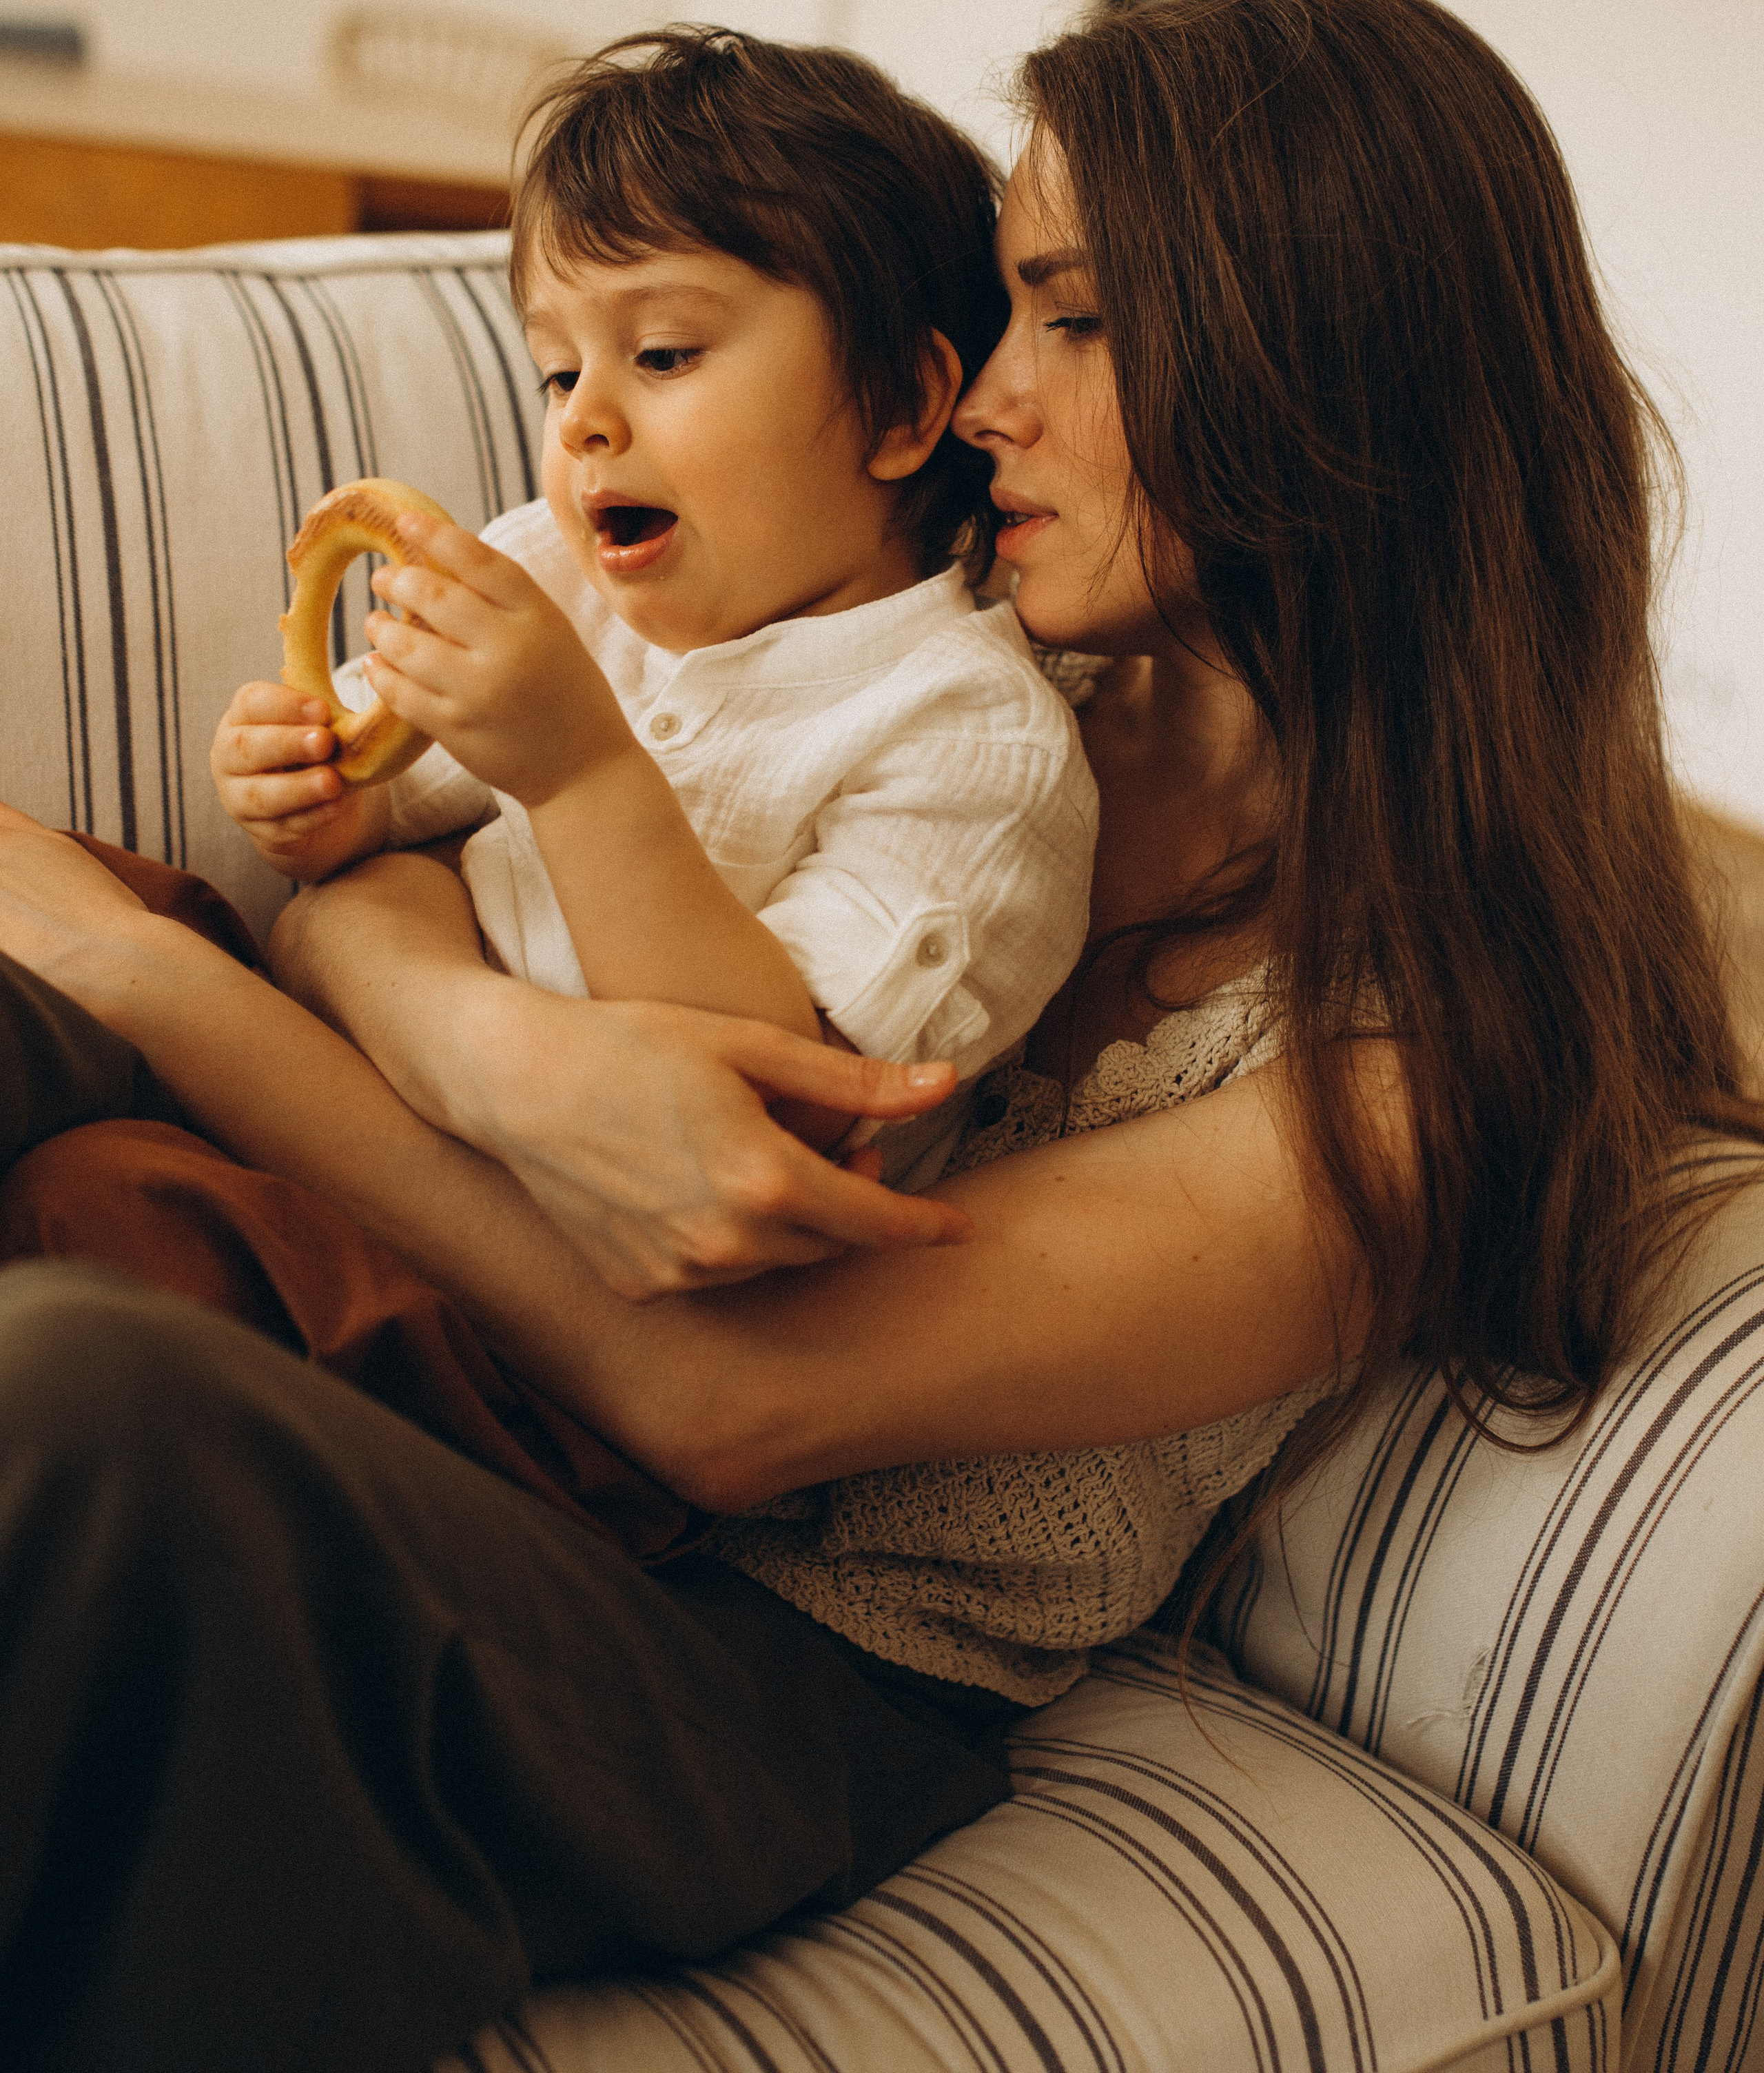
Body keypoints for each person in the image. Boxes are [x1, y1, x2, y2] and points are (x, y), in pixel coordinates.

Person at [0, 2, 1758, 2067]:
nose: (989, 398)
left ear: (1315, 361)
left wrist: (164, 985)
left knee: (91, 1395)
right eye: (1004, 314)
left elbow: (720, 1402)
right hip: (482, 1388)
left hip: (761, 1659)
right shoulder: (934, 626)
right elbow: (406, 868)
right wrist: (505, 1056)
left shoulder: (1402, 1064)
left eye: (1074, 321)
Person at [212, 30, 1095, 1191]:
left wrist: (580, 773)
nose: (583, 418)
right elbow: (387, 782)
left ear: (897, 404)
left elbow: (780, 1104)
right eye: (558, 372)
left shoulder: (977, 743)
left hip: (569, 1262)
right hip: (373, 1142)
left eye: (665, 354)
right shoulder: (554, 576)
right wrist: (314, 797)